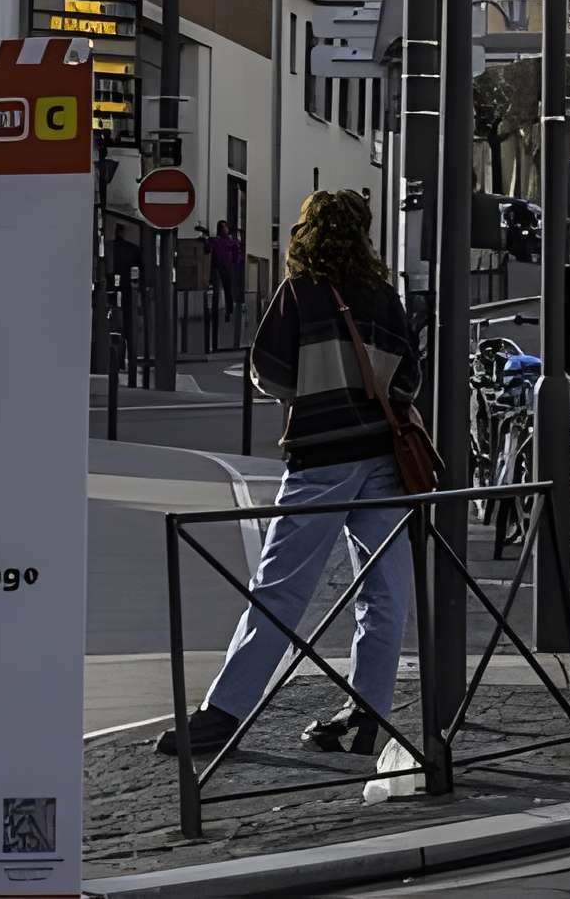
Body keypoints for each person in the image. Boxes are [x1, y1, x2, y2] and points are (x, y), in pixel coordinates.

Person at [157, 188, 421, 759]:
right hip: (383, 459)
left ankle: (224, 714)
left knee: (278, 588)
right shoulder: (382, 295)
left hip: (321, 457)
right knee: (384, 591)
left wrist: (318, 391)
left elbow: (267, 372)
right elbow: (408, 383)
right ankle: (368, 713)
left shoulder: (300, 292)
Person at [209, 215, 246, 336]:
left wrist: (235, 262)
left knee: (228, 289)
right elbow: (208, 249)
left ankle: (229, 311)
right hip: (217, 268)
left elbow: (237, 253)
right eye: (224, 227)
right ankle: (216, 311)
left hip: (227, 268)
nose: (226, 229)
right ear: (220, 229)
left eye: (226, 227)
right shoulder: (216, 241)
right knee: (217, 291)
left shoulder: (231, 242)